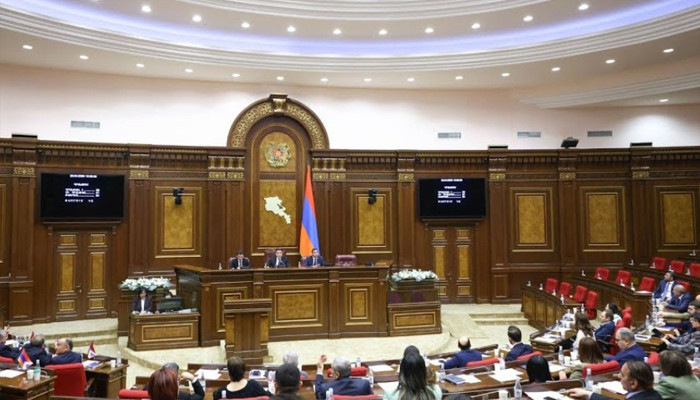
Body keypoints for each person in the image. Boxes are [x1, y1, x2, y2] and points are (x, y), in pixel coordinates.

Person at [567, 360, 662, 400]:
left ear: (633, 383)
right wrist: (588, 394)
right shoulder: (655, 395)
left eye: (622, 374)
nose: (618, 376)